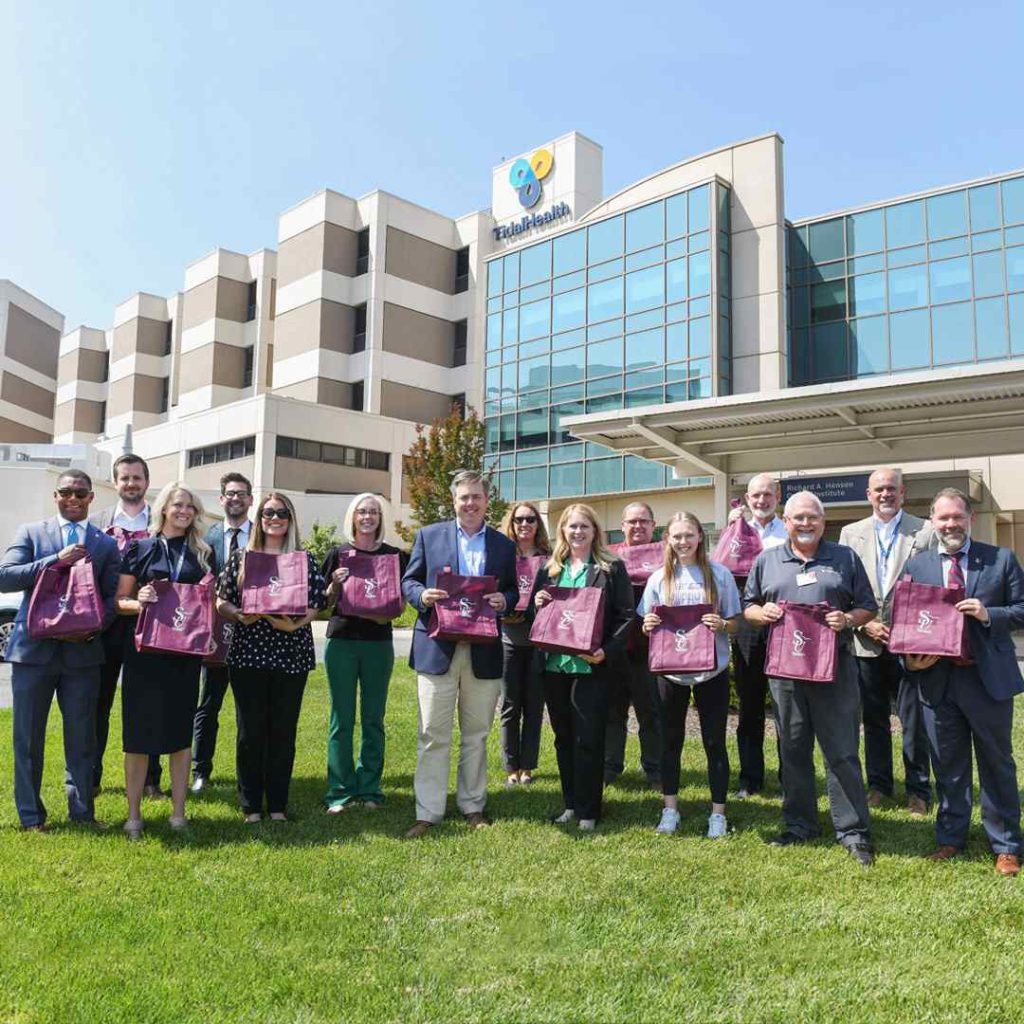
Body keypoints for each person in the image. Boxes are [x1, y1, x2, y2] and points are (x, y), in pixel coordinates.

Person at [743, 490, 879, 867]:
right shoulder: (767, 560)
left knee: (842, 751)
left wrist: (848, 619)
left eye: (812, 518)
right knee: (793, 748)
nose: (805, 524)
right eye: (798, 518)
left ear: (823, 522)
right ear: (785, 522)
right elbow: (747, 607)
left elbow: (868, 605)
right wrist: (763, 612)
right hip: (786, 673)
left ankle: (853, 832)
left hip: (835, 670)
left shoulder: (844, 558)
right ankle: (800, 824)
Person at [902, 488, 1024, 877]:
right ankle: (951, 837)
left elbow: (1022, 610)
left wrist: (989, 613)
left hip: (986, 680)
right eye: (943, 518)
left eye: (957, 517)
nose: (950, 524)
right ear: (933, 522)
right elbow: (902, 618)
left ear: (970, 518)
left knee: (996, 763)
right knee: (948, 765)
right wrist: (911, 660)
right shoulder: (917, 565)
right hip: (937, 682)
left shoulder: (1000, 559)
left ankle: (1005, 845)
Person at [400, 470, 518, 838]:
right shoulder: (428, 536)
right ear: (454, 501)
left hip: (482, 650)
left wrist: (505, 600)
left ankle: (472, 805)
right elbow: (409, 581)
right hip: (437, 648)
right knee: (433, 733)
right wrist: (422, 596)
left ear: (487, 501)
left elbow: (513, 591)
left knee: (476, 733)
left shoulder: (503, 545)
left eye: (476, 497)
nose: (470, 503)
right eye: (463, 497)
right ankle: (428, 811)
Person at [0, 471, 120, 831]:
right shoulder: (32, 533)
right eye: (66, 492)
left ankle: (82, 813)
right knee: (27, 737)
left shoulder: (105, 544)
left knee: (83, 737)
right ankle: (31, 816)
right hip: (33, 652)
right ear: (55, 496)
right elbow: (7, 576)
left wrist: (92, 627)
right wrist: (55, 559)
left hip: (82, 653)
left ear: (90, 498)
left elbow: (111, 597)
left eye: (80, 493)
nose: (74, 498)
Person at [216, 492, 326, 822]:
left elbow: (317, 603)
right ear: (259, 519)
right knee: (250, 731)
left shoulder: (305, 560)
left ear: (290, 519)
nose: (274, 518)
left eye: (281, 513)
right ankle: (250, 805)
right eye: (267, 513)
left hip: (290, 652)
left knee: (282, 730)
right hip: (249, 651)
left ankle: (277, 804)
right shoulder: (241, 557)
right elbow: (221, 600)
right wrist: (237, 614)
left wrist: (295, 625)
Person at [115, 482, 213, 839]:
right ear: (164, 509)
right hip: (144, 656)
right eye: (178, 505)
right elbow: (118, 601)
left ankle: (178, 813)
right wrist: (138, 600)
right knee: (138, 736)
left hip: (183, 656)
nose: (184, 511)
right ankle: (134, 816)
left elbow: (207, 604)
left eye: (190, 506)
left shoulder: (202, 553)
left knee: (179, 736)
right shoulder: (140, 548)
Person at [529, 504, 634, 832]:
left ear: (594, 531)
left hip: (592, 667)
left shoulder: (611, 568)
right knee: (564, 738)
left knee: (589, 738)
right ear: (562, 531)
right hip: (555, 666)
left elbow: (627, 615)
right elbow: (538, 613)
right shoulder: (550, 569)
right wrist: (537, 605)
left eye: (584, 527)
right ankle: (571, 804)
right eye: (571, 527)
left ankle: (590, 810)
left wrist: (606, 650)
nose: (577, 533)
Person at [639, 512, 741, 838]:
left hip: (712, 671)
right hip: (671, 674)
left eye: (689, 535)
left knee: (714, 742)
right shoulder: (658, 579)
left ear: (700, 536)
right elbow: (647, 623)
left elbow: (736, 621)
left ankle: (718, 815)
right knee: (670, 741)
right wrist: (648, 626)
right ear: (668, 539)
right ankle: (670, 810)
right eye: (676, 536)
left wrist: (723, 625)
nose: (683, 542)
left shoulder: (720, 575)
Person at [838, 468, 933, 814]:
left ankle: (919, 791)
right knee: (874, 719)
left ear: (903, 492)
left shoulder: (925, 531)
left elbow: (933, 588)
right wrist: (865, 626)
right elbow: (843, 589)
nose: (885, 495)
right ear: (868, 494)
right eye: (879, 489)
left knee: (914, 720)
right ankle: (878, 786)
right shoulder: (851, 534)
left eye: (891, 489)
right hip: (866, 643)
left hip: (910, 646)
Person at [321, 492, 407, 812]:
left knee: (373, 719)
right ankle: (339, 791)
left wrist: (385, 613)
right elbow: (323, 602)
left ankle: (370, 787)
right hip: (341, 641)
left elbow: (399, 605)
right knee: (341, 719)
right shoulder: (338, 553)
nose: (367, 517)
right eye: (362, 512)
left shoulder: (394, 556)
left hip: (378, 644)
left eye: (373, 511)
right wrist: (334, 585)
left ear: (380, 517)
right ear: (353, 518)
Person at [89, 453, 163, 796]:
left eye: (137, 477)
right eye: (125, 478)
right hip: (106, 625)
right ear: (115, 482)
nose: (131, 483)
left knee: (148, 702)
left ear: (146, 481)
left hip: (149, 624)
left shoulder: (161, 522)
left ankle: (150, 779)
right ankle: (90, 776)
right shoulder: (97, 523)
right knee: (98, 703)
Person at [190, 471, 254, 792]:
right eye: (230, 493)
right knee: (208, 704)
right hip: (215, 632)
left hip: (252, 632)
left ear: (250, 500)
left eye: (242, 493)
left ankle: (249, 774)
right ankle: (200, 770)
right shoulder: (208, 537)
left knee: (249, 709)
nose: (236, 498)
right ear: (222, 499)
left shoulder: (261, 535)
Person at [726, 473, 787, 799]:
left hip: (784, 625)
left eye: (767, 495)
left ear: (777, 496)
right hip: (748, 626)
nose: (761, 501)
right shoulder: (737, 532)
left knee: (784, 706)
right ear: (747, 499)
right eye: (755, 496)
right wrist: (728, 532)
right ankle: (750, 780)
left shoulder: (788, 528)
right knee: (749, 706)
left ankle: (788, 779)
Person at [605, 501, 663, 789]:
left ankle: (654, 770)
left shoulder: (666, 555)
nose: (637, 526)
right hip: (614, 647)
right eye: (632, 521)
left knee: (650, 712)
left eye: (644, 521)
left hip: (651, 649)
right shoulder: (608, 555)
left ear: (654, 525)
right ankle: (610, 769)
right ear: (622, 526)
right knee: (612, 713)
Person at [498, 500, 552, 788]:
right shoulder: (502, 555)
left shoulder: (550, 558)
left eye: (530, 519)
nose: (524, 524)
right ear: (512, 523)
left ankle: (528, 766)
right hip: (507, 637)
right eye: (519, 519)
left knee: (534, 706)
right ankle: (511, 766)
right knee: (509, 705)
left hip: (538, 640)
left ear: (537, 524)